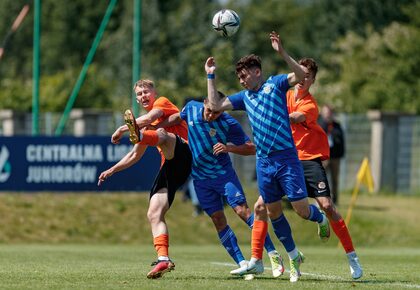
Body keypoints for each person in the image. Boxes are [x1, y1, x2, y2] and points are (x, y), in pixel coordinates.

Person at [205, 31, 330, 283]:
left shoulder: (275, 84)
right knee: (272, 212)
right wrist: (210, 75)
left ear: (257, 72)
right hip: (264, 162)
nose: (241, 81)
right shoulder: (244, 98)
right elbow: (215, 106)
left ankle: (320, 217)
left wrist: (282, 52)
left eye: (243, 75)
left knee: (301, 210)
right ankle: (294, 257)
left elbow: (302, 75)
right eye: (238, 77)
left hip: (287, 159)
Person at [159, 98, 285, 279]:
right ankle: (242, 264)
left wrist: (228, 148)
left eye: (216, 112)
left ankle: (273, 254)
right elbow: (176, 118)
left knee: (243, 211)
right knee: (218, 219)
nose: (211, 115)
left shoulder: (228, 122)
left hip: (223, 176)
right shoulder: (192, 109)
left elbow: (251, 148)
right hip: (200, 180)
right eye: (209, 110)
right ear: (204, 103)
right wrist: (157, 128)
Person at [98, 79, 192, 279]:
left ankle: (139, 135)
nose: (142, 96)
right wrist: (112, 170)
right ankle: (163, 259)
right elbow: (134, 156)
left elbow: (151, 116)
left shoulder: (162, 104)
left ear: (154, 92)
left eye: (145, 92)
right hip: (171, 166)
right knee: (154, 212)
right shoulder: (146, 126)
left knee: (161, 134)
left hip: (186, 152)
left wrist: (124, 129)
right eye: (139, 94)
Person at [286, 57, 362, 279]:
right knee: (265, 205)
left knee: (328, 205)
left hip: (309, 160)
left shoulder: (310, 104)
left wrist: (270, 114)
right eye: (300, 73)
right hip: (288, 159)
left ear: (312, 81)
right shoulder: (284, 95)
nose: (303, 79)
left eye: (307, 76)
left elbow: (294, 117)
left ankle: (352, 257)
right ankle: (259, 258)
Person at [318, 105, 345, 205]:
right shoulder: (319, 124)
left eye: (329, 112)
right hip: (323, 157)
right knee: (322, 179)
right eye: (326, 112)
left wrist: (341, 154)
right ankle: (322, 198)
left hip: (335, 157)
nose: (328, 114)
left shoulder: (337, 125)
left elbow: (341, 140)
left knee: (335, 180)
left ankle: (335, 200)